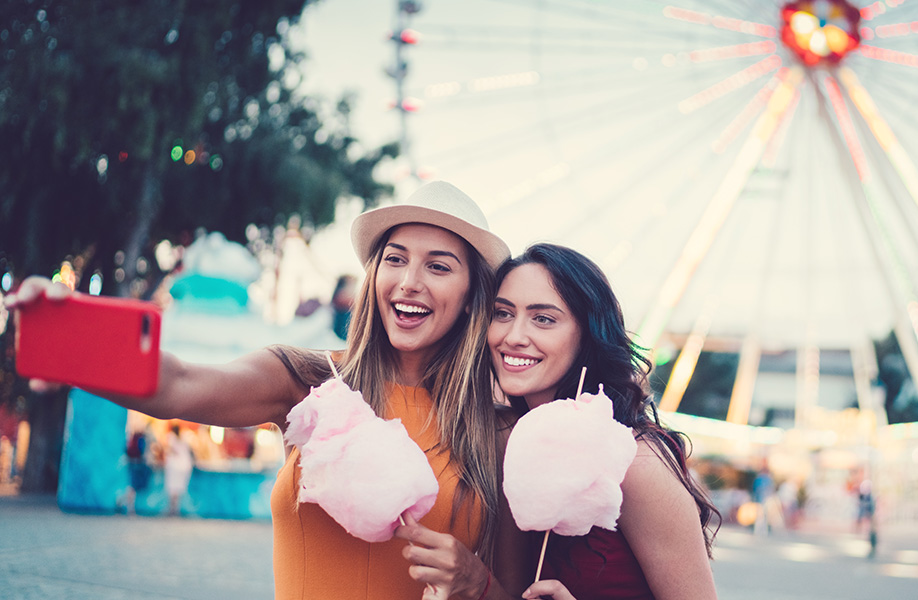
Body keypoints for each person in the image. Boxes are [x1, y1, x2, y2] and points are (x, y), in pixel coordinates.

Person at [6, 181, 530, 600]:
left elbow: (513, 591)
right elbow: (180, 382)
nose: (409, 281)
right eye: (394, 259)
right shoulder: (309, 382)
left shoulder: (502, 433)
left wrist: (477, 586)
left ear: (470, 298)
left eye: (438, 266)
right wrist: (69, 334)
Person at [485, 243, 720, 600]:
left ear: (588, 335)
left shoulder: (634, 461)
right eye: (502, 313)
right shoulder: (510, 442)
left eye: (543, 319)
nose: (513, 336)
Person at [163, 423, 194, 516]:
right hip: (183, 466)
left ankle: (172, 509)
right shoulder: (185, 438)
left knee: (172, 488)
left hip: (174, 466)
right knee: (177, 489)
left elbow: (170, 450)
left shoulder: (171, 438)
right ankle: (175, 509)